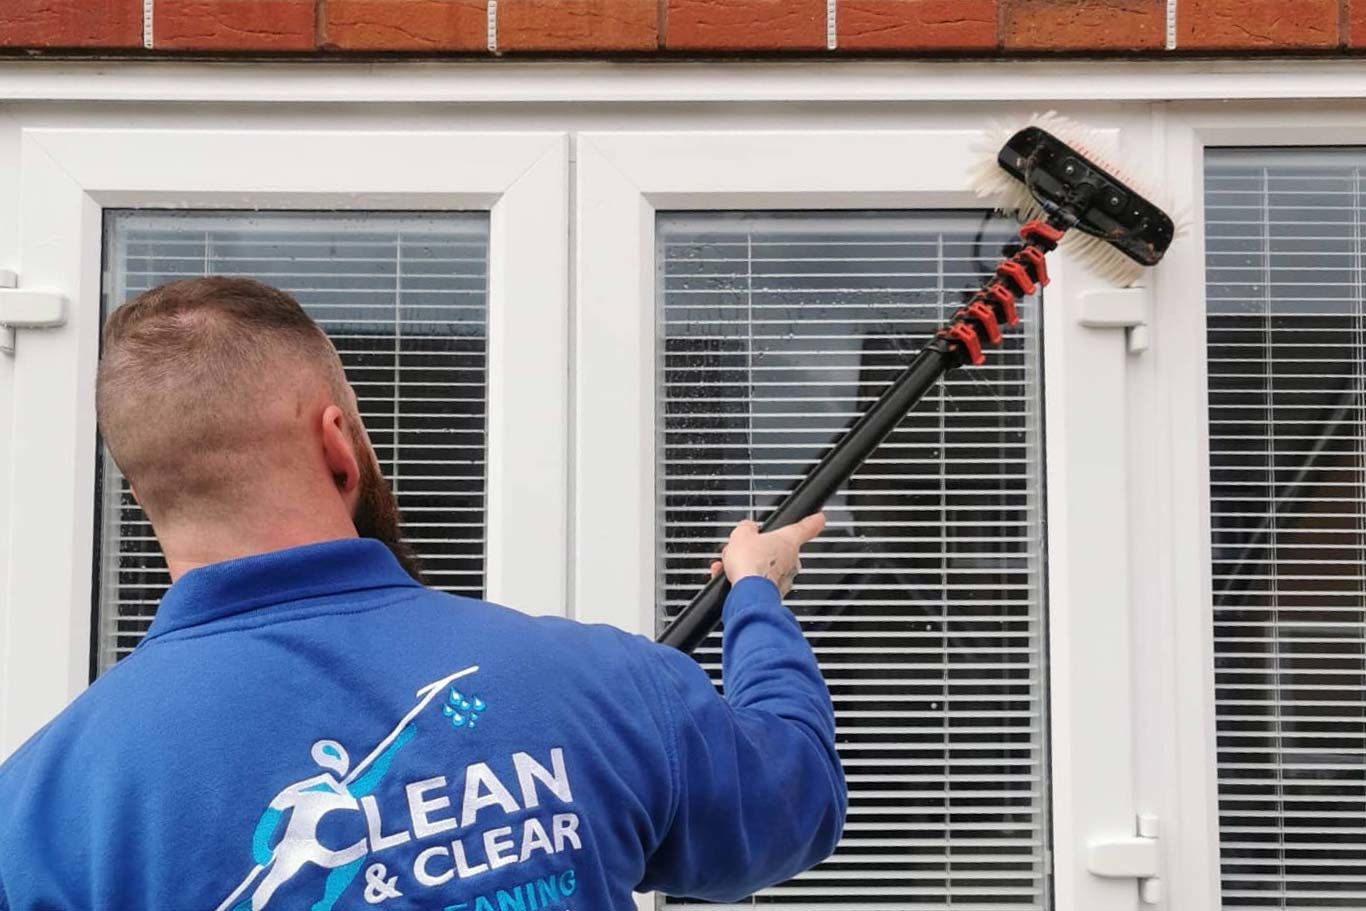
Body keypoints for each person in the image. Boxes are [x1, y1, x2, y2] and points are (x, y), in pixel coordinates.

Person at [0, 277, 846, 911]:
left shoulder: (37, 815)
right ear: (338, 446)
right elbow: (793, 800)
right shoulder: (603, 684)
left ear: (143, 490)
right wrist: (756, 600)